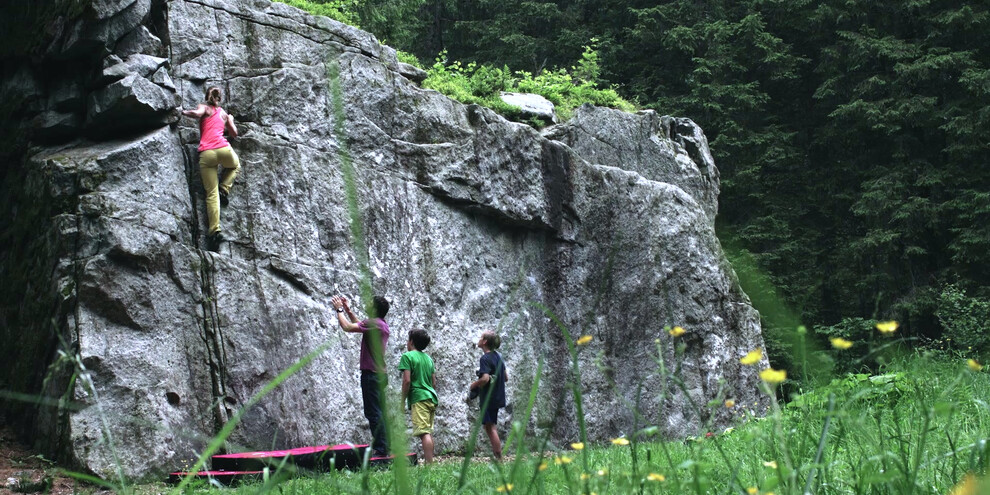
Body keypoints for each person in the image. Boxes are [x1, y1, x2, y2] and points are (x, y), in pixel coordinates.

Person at [181, 86, 240, 251]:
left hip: (206, 154)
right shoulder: (224, 114)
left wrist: (183, 112)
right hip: (223, 149)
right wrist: (231, 120)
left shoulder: (204, 107)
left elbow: (197, 114)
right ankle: (225, 189)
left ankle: (214, 231)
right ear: (220, 98)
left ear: (207, 97)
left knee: (211, 194)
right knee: (235, 165)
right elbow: (234, 134)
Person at [331, 294, 391, 457]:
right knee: (380, 411)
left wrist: (339, 310)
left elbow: (348, 328)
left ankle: (380, 448)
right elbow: (359, 325)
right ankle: (385, 445)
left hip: (371, 374)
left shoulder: (374, 324)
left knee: (373, 412)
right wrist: (349, 311)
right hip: (380, 374)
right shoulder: (381, 324)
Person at [398, 328, 438, 463]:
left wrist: (402, 401)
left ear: (411, 342)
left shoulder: (407, 357)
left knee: (424, 433)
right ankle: (430, 462)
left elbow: (407, 381)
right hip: (431, 397)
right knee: (427, 431)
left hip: (418, 397)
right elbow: (433, 382)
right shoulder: (428, 359)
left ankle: (429, 466)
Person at [469, 331, 507, 460]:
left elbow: (484, 379)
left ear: (484, 342)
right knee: (490, 425)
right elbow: (505, 377)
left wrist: (474, 385)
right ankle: (498, 456)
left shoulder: (485, 358)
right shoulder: (499, 357)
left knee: (490, 428)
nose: (479, 339)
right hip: (498, 396)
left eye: (481, 337)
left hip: (488, 398)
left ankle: (499, 458)